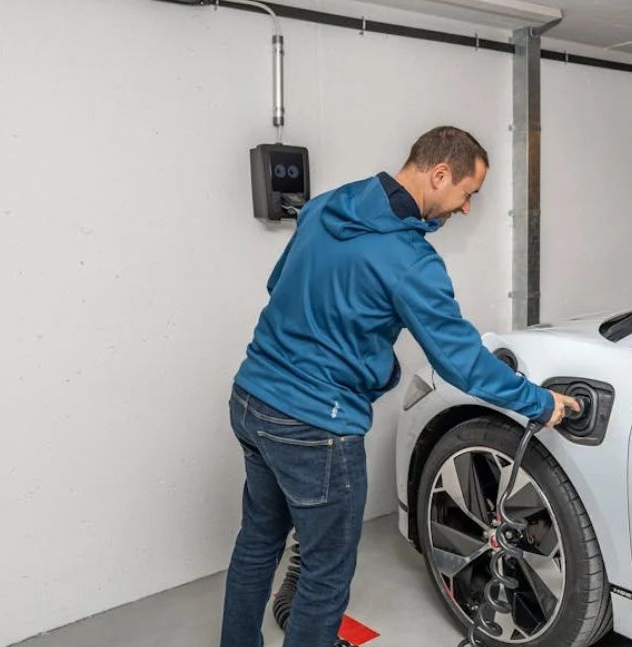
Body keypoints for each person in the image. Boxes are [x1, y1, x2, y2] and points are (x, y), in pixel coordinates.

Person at [220, 126, 580, 647]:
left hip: (253, 399)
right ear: (439, 174)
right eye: (467, 193)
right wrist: (539, 403)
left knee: (258, 542)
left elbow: (280, 286)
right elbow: (461, 362)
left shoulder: (324, 207)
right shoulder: (410, 260)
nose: (465, 209)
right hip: (318, 426)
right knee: (324, 575)